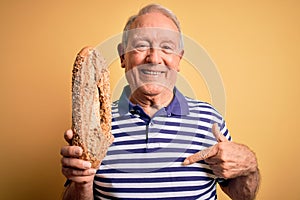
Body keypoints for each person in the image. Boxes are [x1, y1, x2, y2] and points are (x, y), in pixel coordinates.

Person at [60, 4, 260, 200]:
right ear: (123, 56)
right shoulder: (96, 129)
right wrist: (82, 183)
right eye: (141, 45)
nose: (154, 58)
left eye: (167, 47)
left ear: (179, 59)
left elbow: (243, 196)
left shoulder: (209, 120)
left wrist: (249, 167)